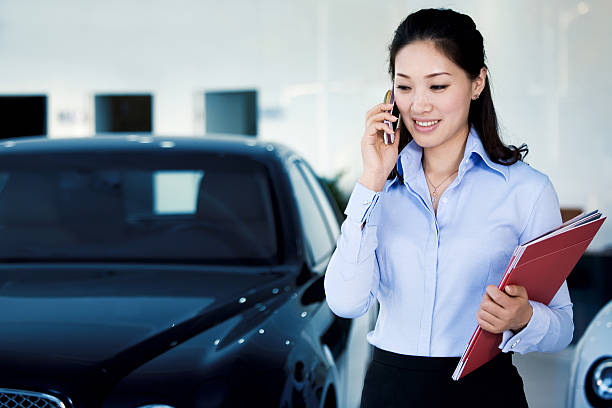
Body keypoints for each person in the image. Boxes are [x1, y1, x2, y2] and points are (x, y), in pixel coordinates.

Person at [323, 8, 573, 408]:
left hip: (485, 391)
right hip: (391, 391)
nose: (419, 105)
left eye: (437, 87)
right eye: (404, 88)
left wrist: (524, 317)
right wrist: (371, 179)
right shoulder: (380, 187)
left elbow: (562, 326)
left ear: (477, 83)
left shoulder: (526, 189)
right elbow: (346, 301)